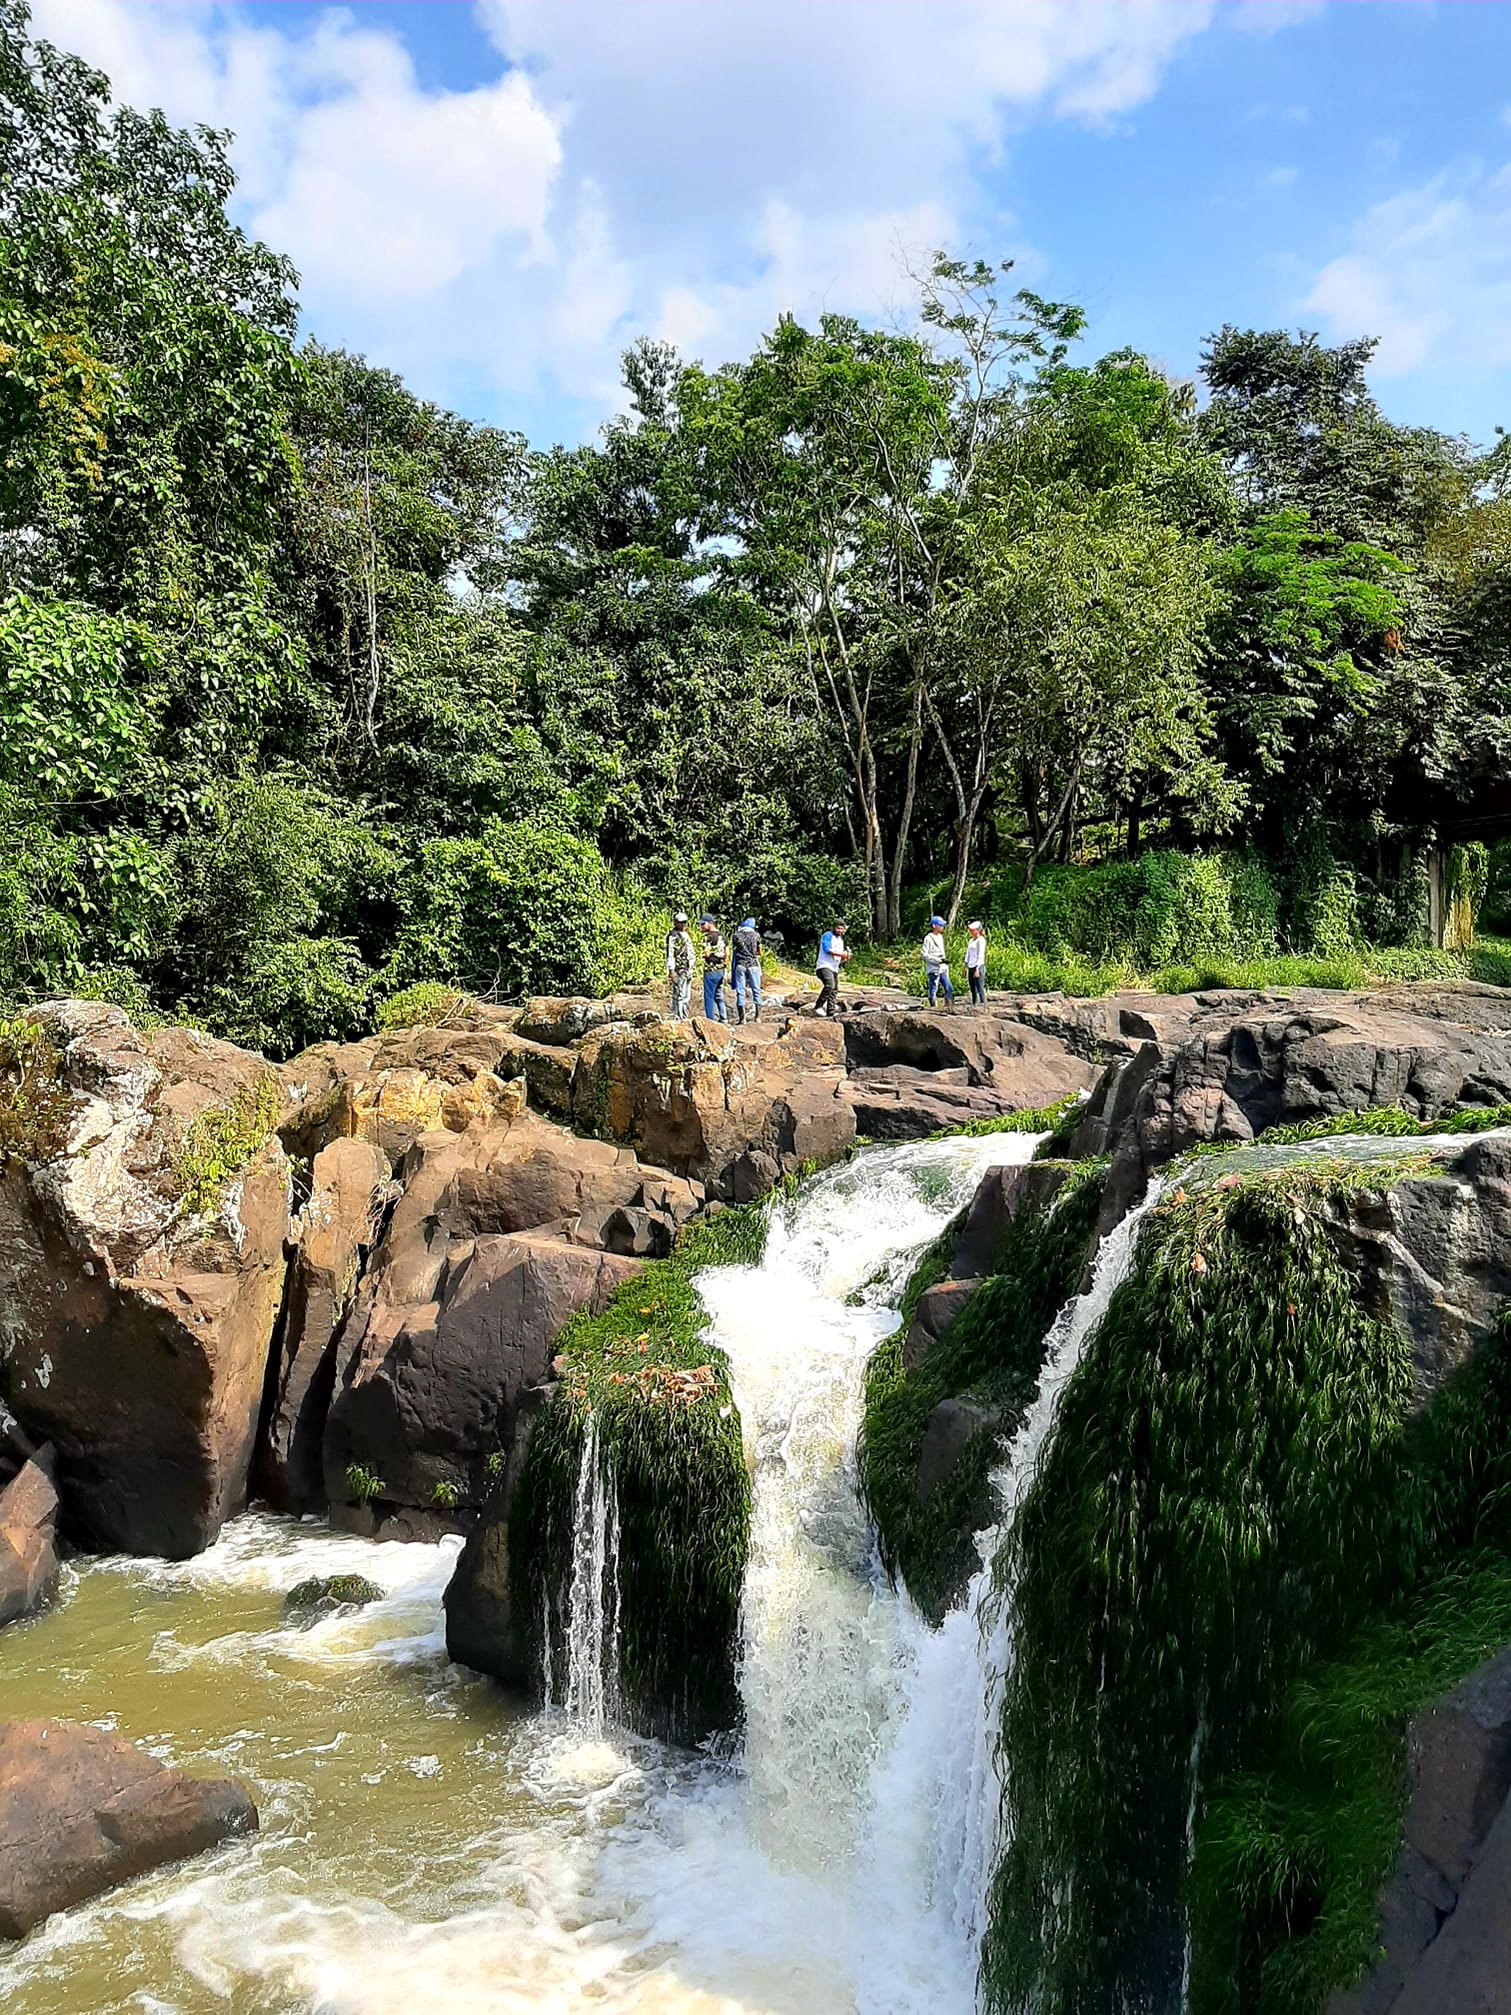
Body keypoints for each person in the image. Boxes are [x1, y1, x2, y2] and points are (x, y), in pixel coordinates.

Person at [814, 918, 850, 1017]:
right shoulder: (827, 935)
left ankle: (831, 1012)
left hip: (834, 967)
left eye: (842, 929)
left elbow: (838, 957)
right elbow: (827, 950)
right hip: (824, 966)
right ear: (834, 928)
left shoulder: (840, 940)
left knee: (834, 990)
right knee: (829, 985)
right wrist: (842, 954)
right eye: (838, 928)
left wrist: (845, 958)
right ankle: (818, 1006)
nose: (839, 931)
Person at [730, 916, 762, 1023]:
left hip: (740, 965)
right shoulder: (756, 936)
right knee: (756, 990)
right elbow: (758, 952)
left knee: (740, 991)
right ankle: (757, 1017)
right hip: (753, 965)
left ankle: (742, 1019)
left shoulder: (736, 936)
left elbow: (734, 951)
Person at [666, 910, 695, 1018]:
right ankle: (678, 1015)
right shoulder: (673, 936)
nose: (683, 924)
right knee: (679, 993)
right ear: (675, 923)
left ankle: (683, 1014)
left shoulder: (685, 935)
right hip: (679, 968)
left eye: (685, 922)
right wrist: (671, 970)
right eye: (681, 922)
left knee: (687, 994)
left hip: (688, 968)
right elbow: (670, 954)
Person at [700, 915, 728, 1022]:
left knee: (709, 997)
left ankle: (710, 1020)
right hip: (721, 969)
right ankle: (723, 1018)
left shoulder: (707, 937)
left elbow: (706, 954)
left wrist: (702, 955)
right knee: (719, 994)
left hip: (710, 969)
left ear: (710, 923)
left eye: (703, 924)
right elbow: (727, 953)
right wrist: (724, 964)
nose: (701, 927)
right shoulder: (722, 935)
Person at [921, 916, 954, 1007]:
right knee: (933, 989)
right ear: (934, 926)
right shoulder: (928, 938)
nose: (942, 927)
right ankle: (933, 1007)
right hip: (933, 968)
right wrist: (936, 960)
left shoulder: (940, 937)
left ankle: (948, 1006)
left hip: (942, 968)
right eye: (941, 925)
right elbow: (924, 954)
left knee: (949, 988)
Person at [964, 919, 987, 1007]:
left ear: (977, 930)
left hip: (978, 966)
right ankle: (974, 1004)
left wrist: (977, 969)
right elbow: (968, 954)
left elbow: (980, 955)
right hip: (971, 965)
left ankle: (983, 1005)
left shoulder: (981, 940)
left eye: (972, 930)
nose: (970, 931)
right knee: (972, 988)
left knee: (980, 987)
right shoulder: (971, 941)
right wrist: (964, 966)